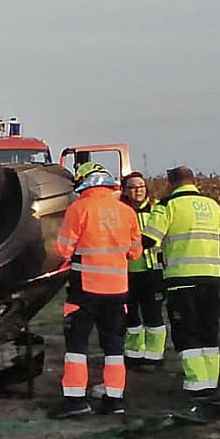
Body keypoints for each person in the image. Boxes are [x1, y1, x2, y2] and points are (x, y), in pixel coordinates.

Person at [53, 162, 143, 417]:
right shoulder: (126, 212)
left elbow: (63, 250)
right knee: (114, 347)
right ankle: (115, 399)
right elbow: (135, 252)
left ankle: (75, 401)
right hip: (117, 291)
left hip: (84, 290)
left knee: (77, 347)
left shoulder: (79, 209)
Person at [142, 166, 220, 400]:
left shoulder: (167, 206)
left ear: (171, 184)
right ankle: (211, 382)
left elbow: (149, 239)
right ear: (193, 181)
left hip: (182, 280)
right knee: (209, 331)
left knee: (186, 332)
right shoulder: (211, 204)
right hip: (211, 277)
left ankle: (196, 384)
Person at [120, 173, 167, 370]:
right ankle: (133, 354)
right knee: (130, 317)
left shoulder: (157, 210)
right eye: (132, 187)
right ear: (125, 190)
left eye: (140, 186)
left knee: (153, 316)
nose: (138, 190)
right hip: (126, 272)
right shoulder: (119, 211)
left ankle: (154, 357)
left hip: (152, 271)